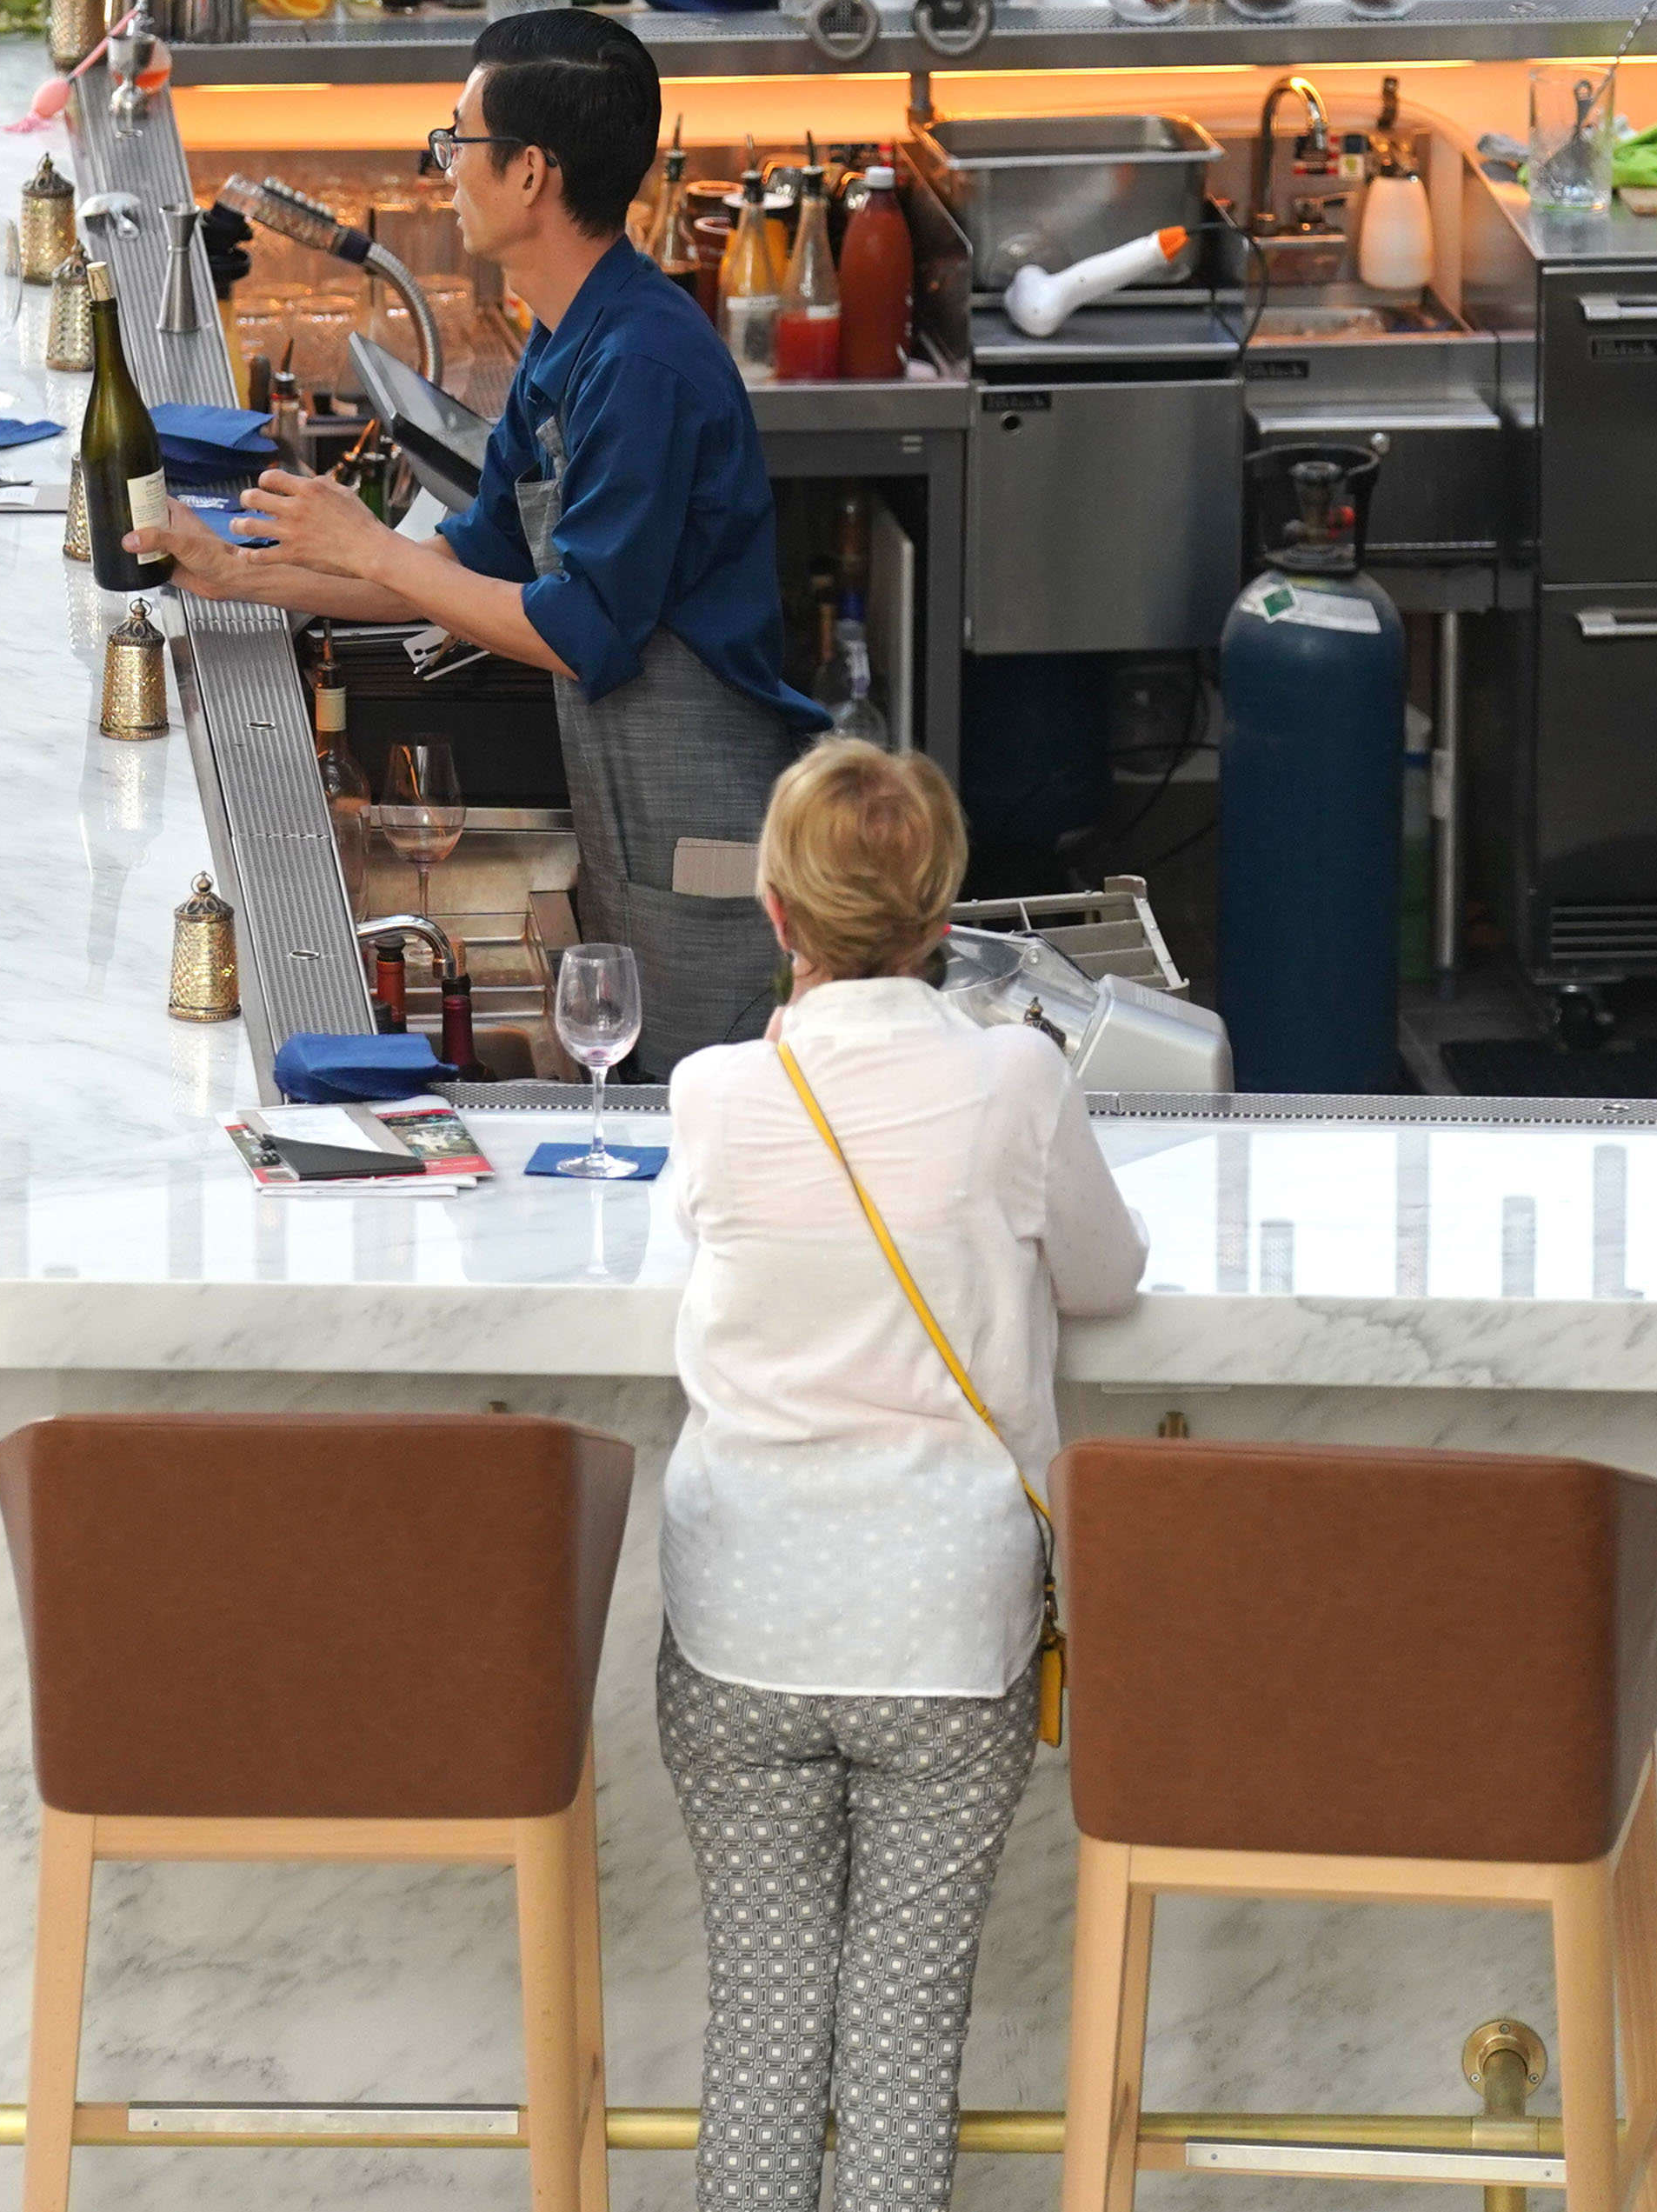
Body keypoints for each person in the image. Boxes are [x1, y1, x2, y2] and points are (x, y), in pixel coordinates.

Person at [137, 10, 818, 1071]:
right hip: (628, 831)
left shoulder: (644, 366)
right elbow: (459, 569)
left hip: (704, 844)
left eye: (456, 141)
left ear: (532, 172)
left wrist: (367, 548)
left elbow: (578, 628)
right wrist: (240, 572)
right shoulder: (568, 336)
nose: (441, 164)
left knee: (703, 1105)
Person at [657, 737, 1143, 2212]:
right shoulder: (1013, 1076)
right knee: (896, 2040)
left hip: (739, 1625)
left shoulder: (713, 1089)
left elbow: (687, 1247)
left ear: (773, 912)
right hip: (940, 1633)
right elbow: (1109, 1276)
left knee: (758, 2024)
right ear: (943, 916)